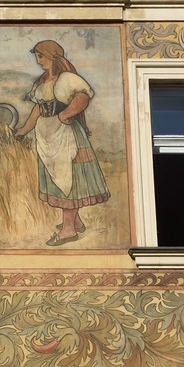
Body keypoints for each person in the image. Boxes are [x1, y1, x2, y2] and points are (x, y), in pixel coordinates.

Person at [14, 40, 110, 246]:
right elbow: (38, 110)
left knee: (69, 179)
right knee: (58, 178)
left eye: (41, 56)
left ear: (53, 56)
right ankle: (76, 222)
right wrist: (23, 130)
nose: (38, 61)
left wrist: (65, 114)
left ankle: (68, 231)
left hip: (66, 135)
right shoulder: (41, 83)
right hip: (46, 135)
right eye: (37, 57)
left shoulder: (67, 79)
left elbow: (82, 98)